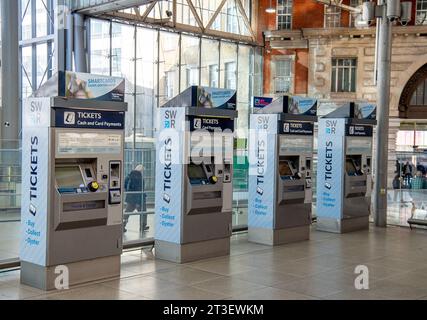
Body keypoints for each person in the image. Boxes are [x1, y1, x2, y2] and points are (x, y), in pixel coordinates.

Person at [123, 165, 148, 233]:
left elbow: (125, 186)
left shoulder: (129, 176)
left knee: (127, 212)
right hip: (139, 199)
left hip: (130, 198)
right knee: (143, 212)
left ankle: (122, 225)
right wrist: (137, 202)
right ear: (141, 171)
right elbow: (140, 191)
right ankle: (143, 226)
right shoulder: (140, 178)